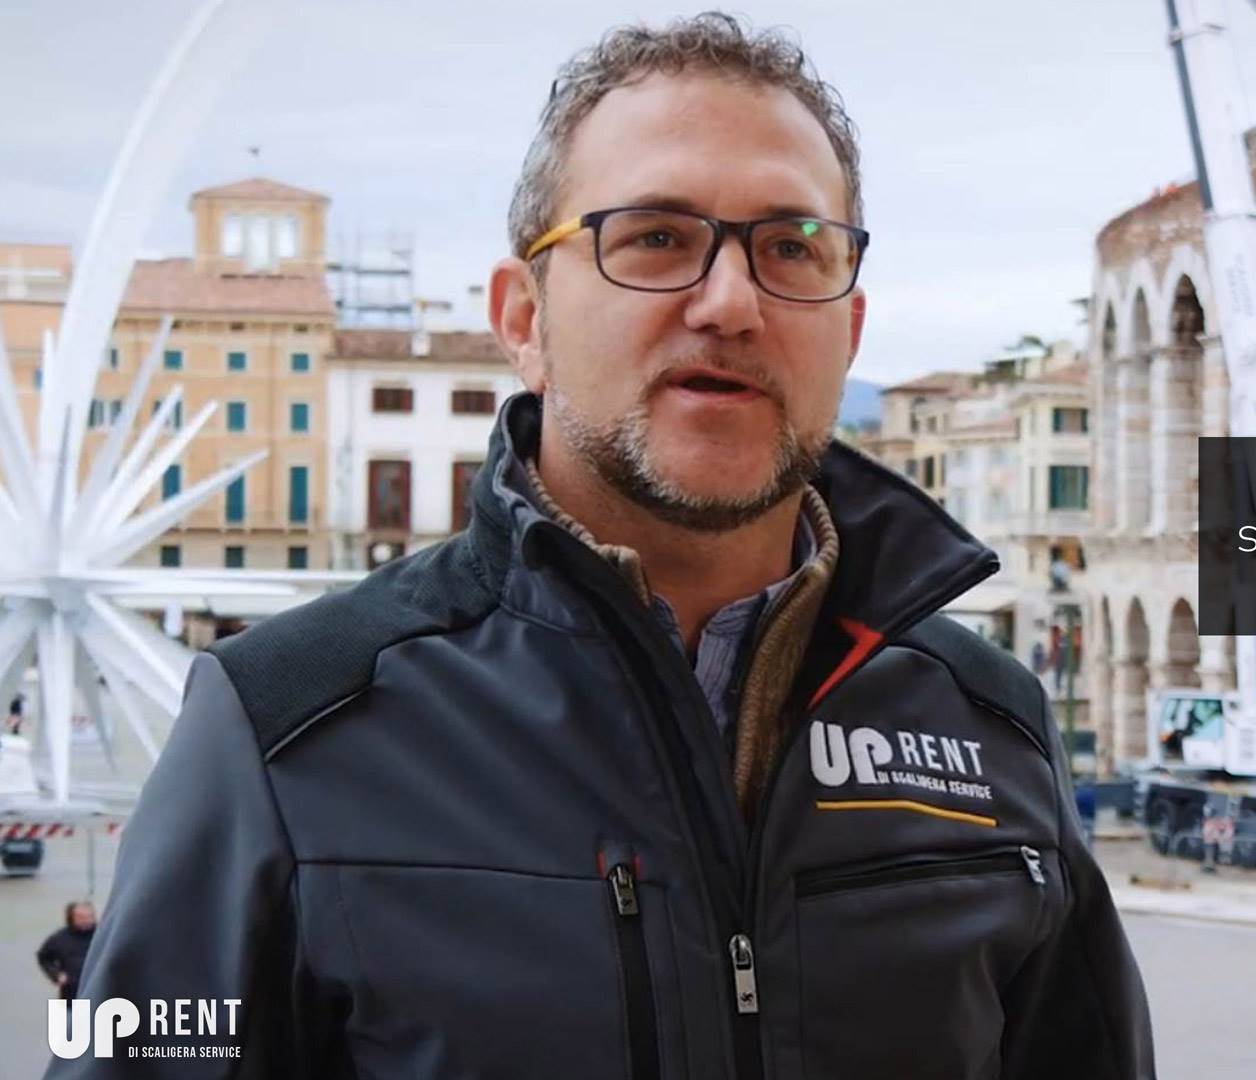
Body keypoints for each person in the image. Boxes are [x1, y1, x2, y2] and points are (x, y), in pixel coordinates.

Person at [57, 13, 1153, 1078]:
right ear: (523, 319)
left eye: (792, 247)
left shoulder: (990, 724)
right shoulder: (282, 729)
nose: (730, 301)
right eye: (656, 239)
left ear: (849, 328)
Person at [36, 902, 94, 1001]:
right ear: (71, 918)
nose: (87, 920)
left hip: (99, 995)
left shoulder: (104, 936)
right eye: (81, 917)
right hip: (69, 995)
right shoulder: (59, 938)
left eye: (90, 916)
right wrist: (56, 975)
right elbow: (43, 957)